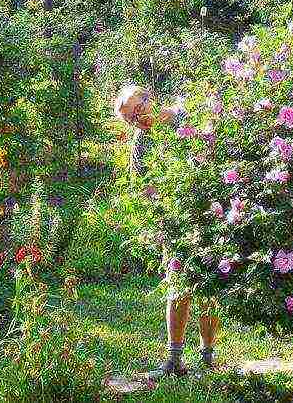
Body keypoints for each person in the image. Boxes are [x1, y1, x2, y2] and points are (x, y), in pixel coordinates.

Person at [114, 84, 220, 376]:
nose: (136, 120)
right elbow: (143, 187)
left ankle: (208, 359)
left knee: (207, 283)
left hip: (207, 212)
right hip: (173, 222)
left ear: (150, 99)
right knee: (178, 284)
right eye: (129, 118)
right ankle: (175, 360)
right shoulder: (141, 143)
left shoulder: (187, 117)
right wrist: (161, 216)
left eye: (137, 110)